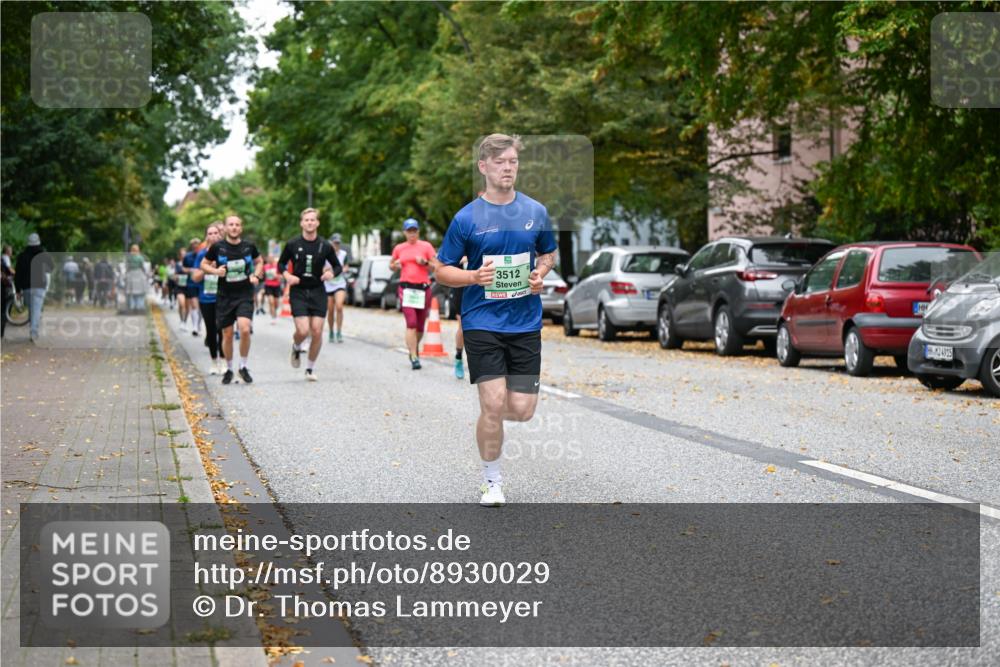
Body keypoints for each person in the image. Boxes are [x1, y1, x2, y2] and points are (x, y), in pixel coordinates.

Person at [435, 134, 558, 507]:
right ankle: (492, 481)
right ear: (484, 167)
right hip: (481, 321)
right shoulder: (466, 218)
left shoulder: (535, 211)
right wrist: (473, 277)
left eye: (513, 162)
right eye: (501, 162)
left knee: (521, 410)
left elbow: (548, 253)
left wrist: (540, 274)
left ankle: (492, 413)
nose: (508, 168)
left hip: (525, 323)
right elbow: (441, 270)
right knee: (492, 405)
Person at [278, 208, 342, 381]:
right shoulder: (292, 244)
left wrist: (331, 274)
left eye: (313, 220)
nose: (310, 223)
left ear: (317, 223)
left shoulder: (325, 245)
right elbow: (281, 264)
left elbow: (337, 266)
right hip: (298, 290)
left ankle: (310, 369)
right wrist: (287, 276)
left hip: (318, 290)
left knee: (317, 331)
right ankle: (297, 345)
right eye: (307, 220)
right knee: (303, 330)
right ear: (302, 223)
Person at [201, 214, 263, 384]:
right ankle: (229, 368)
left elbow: (259, 262)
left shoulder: (249, 246)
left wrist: (256, 275)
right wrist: (215, 271)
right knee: (227, 335)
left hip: (244, 294)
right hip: (224, 296)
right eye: (231, 224)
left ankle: (243, 366)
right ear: (226, 228)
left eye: (237, 224)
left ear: (241, 228)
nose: (234, 227)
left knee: (244, 329)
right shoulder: (217, 248)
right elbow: (204, 264)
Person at [389, 218, 436, 370]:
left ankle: (413, 349)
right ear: (404, 233)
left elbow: (436, 267)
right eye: (409, 231)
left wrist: (425, 263)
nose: (412, 234)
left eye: (414, 231)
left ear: (418, 232)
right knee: (411, 323)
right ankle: (414, 356)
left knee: (421, 326)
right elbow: (391, 265)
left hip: (423, 289)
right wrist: (395, 265)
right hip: (406, 289)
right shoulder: (399, 248)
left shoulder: (426, 246)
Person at [192, 222, 226, 374]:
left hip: (224, 296)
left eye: (215, 233)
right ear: (206, 236)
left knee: (223, 329)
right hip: (206, 297)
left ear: (220, 234)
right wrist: (209, 268)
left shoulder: (226, 252)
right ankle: (214, 361)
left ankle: (224, 361)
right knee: (211, 330)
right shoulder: (201, 255)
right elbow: (195, 277)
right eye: (210, 233)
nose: (213, 236)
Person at [14, 233, 55, 341]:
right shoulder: (43, 255)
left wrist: (17, 290)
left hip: (26, 286)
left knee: (32, 309)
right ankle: (33, 332)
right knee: (36, 309)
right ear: (38, 242)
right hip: (39, 285)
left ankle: (33, 330)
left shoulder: (22, 256)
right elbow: (51, 268)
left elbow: (18, 274)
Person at [324, 233, 350, 343]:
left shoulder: (343, 254)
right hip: (328, 284)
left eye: (338, 243)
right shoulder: (325, 255)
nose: (337, 245)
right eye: (335, 243)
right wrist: (327, 270)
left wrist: (340, 270)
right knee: (330, 310)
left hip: (340, 283)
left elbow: (346, 267)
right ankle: (331, 331)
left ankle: (339, 332)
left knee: (339, 306)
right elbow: (321, 269)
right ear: (331, 243)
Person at [181, 239, 202, 335]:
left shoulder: (203, 254)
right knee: (194, 304)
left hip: (202, 283)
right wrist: (190, 270)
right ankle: (194, 327)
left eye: (197, 244)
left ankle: (198, 324)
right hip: (191, 283)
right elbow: (183, 268)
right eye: (193, 245)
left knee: (201, 306)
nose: (195, 246)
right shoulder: (187, 256)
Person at [124, 244, 148, 311]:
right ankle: (139, 306)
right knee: (140, 292)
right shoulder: (140, 257)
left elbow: (127, 267)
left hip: (130, 274)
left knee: (131, 291)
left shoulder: (128, 257)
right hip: (139, 274)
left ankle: (132, 306)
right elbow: (143, 267)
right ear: (138, 250)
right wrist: (145, 274)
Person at [261, 255, 282, 323]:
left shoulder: (277, 266)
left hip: (276, 286)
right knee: (271, 301)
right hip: (268, 286)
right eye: (268, 258)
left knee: (276, 304)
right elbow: (262, 276)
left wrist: (277, 276)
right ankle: (273, 318)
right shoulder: (265, 266)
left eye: (271, 258)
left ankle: (274, 311)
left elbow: (282, 276)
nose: (270, 259)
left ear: (273, 259)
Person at [174, 248, 190, 330]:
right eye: (182, 254)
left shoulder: (189, 263)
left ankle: (185, 322)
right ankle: (181, 320)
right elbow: (175, 275)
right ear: (179, 255)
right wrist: (176, 277)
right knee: (181, 304)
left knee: (187, 307)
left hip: (188, 287)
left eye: (185, 254)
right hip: (179, 287)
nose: (183, 255)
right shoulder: (178, 264)